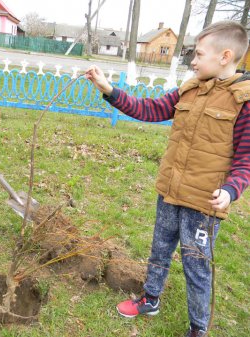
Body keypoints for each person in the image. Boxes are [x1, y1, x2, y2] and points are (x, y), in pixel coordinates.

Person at [86, 21, 250, 337]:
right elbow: (149, 109)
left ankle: (198, 328)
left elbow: (245, 160)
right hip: (170, 192)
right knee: (159, 250)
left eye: (199, 54)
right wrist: (109, 90)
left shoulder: (243, 101)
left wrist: (231, 191)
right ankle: (150, 299)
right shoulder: (191, 87)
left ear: (225, 56)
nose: (193, 60)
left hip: (203, 204)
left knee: (197, 267)